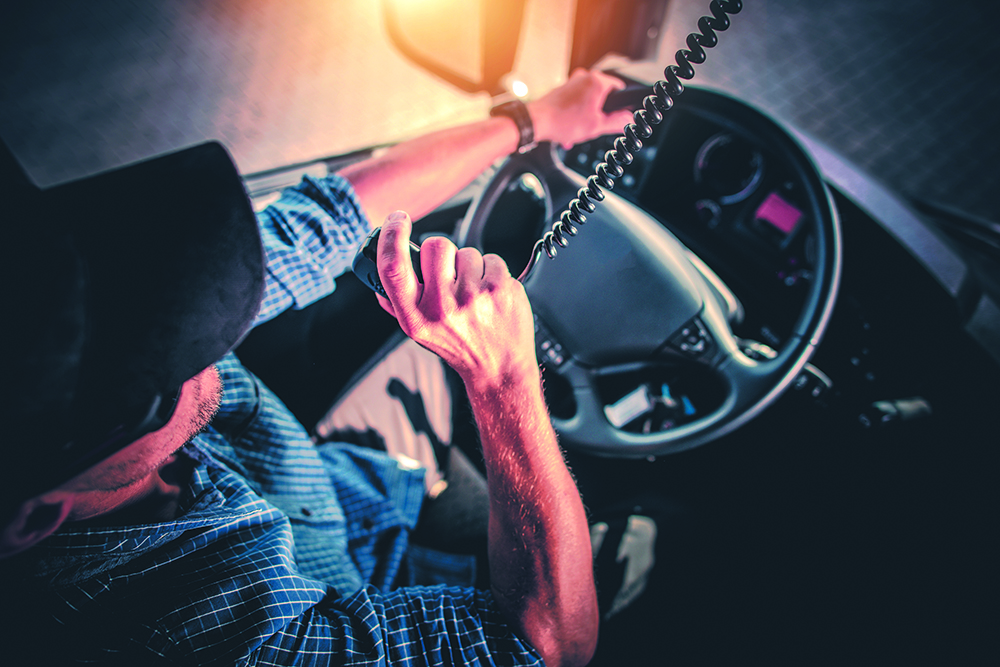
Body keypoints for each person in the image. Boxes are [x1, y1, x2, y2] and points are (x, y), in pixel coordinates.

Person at [0, 70, 634, 665]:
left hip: (368, 489)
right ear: (31, 517)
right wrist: (503, 380)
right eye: (151, 385)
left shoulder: (85, 338)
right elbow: (543, 645)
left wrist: (539, 117)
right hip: (375, 598)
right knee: (595, 573)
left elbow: (328, 220)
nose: (200, 343)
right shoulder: (205, 635)